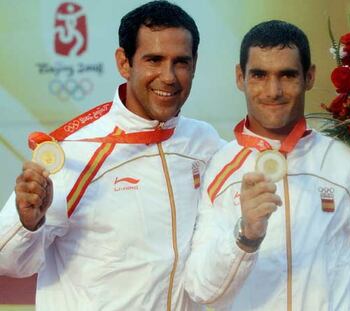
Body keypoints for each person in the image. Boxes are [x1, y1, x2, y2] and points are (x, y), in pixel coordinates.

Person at [0, 1, 223, 310]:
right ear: (124, 62)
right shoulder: (72, 152)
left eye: (181, 62)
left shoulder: (204, 143)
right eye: (154, 60)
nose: (169, 76)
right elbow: (8, 262)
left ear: (195, 64)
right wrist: (26, 222)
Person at [184, 20, 350, 310]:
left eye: (288, 75)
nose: (273, 91)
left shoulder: (346, 163)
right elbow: (202, 290)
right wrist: (246, 236)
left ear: (309, 77)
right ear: (240, 77)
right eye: (259, 75)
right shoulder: (218, 168)